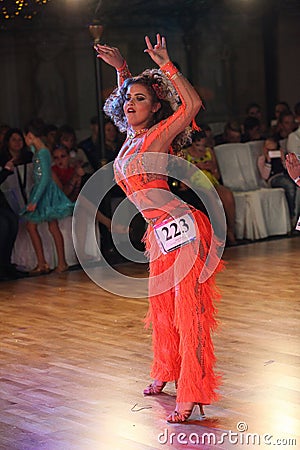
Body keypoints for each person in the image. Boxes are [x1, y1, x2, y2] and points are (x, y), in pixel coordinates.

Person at [95, 33, 223, 423]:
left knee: (189, 313)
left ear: (155, 108)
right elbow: (123, 104)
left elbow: (194, 104)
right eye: (128, 100)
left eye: (140, 99)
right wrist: (123, 72)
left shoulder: (158, 134)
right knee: (163, 310)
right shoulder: (131, 139)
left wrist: (167, 64)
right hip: (158, 234)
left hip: (183, 229)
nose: (130, 105)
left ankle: (192, 391)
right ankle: (166, 371)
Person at [22, 118, 74, 274]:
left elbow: (44, 178)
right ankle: (54, 263)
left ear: (30, 135)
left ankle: (46, 263)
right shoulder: (39, 151)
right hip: (43, 191)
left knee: (33, 226)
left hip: (45, 192)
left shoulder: (43, 152)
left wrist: (35, 200)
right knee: (51, 226)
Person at [184, 131, 236, 245]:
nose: (201, 149)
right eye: (198, 145)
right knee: (212, 198)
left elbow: (217, 175)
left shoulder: (209, 152)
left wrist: (211, 168)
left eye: (203, 145)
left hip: (211, 182)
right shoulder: (185, 154)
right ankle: (221, 233)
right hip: (195, 185)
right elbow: (182, 177)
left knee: (227, 195)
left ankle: (231, 230)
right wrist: (197, 167)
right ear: (192, 144)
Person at [257, 136, 297, 223]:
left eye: (273, 150)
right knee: (289, 185)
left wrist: (283, 159)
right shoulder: (261, 159)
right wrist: (268, 162)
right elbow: (265, 176)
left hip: (285, 176)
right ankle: (292, 215)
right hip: (273, 179)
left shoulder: (281, 157)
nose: (271, 152)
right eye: (268, 150)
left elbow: (288, 170)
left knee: (292, 183)